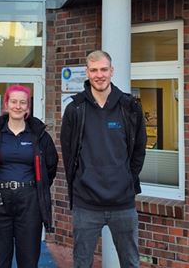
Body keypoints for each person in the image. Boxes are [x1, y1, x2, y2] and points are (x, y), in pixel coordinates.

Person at [60, 50, 147, 268]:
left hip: (123, 203)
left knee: (130, 263)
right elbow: (69, 153)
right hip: (86, 204)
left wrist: (126, 178)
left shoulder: (130, 107)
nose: (99, 75)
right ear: (87, 73)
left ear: (112, 71)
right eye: (94, 70)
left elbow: (139, 150)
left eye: (104, 69)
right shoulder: (75, 109)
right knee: (82, 263)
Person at [0, 84, 58, 268]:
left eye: (23, 102)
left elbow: (50, 167)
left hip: (30, 202)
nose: (18, 106)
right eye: (13, 101)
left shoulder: (40, 136)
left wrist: (32, 186)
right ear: (6, 104)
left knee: (28, 260)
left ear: (28, 107)